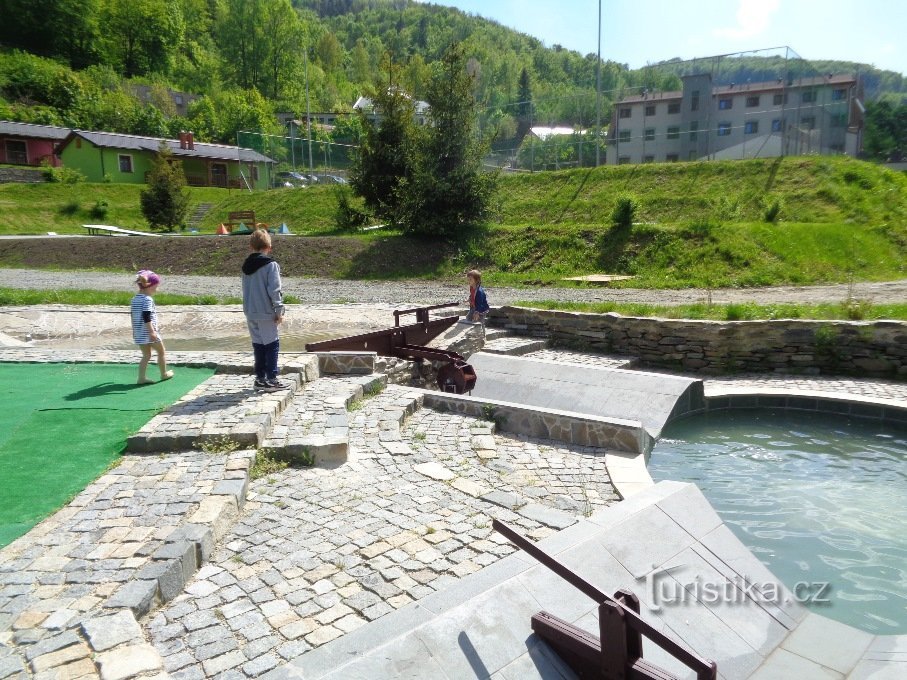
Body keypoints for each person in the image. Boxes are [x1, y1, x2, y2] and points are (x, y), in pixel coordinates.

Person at [241, 229, 287, 391]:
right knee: (272, 344)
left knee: (258, 345)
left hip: (250, 312)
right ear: (268, 247)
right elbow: (274, 290)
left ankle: (260, 378)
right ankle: (272, 379)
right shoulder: (271, 265)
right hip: (266, 312)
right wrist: (279, 310)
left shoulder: (246, 266)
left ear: (251, 247)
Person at [131, 269, 174, 384]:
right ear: (150, 286)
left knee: (146, 355)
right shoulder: (147, 299)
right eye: (156, 287)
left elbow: (133, 316)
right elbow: (146, 316)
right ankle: (164, 374)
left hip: (139, 333)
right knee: (161, 352)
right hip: (149, 332)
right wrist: (151, 332)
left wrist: (135, 331)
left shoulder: (134, 299)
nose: (157, 289)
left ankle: (141, 378)